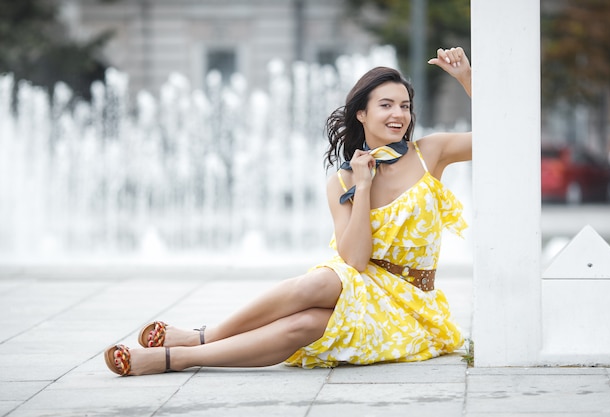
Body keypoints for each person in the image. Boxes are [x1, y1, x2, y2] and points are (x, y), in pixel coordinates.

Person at [104, 47, 472, 376]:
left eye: (404, 105)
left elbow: (501, 134)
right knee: (308, 317)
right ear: (361, 113)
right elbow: (356, 261)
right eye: (386, 105)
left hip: (412, 308)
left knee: (321, 289)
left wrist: (466, 78)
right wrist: (362, 186)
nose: (399, 115)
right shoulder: (342, 182)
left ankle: (196, 342)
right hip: (364, 288)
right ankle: (179, 357)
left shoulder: (431, 152)